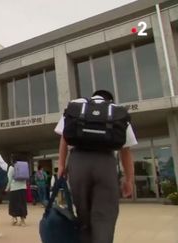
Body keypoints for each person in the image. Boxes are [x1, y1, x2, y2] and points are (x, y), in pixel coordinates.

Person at [55, 90, 137, 243]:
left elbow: (64, 138)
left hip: (78, 162)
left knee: (83, 215)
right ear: (109, 100)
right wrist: (129, 179)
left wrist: (61, 165)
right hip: (105, 162)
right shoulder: (116, 110)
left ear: (93, 96)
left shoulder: (76, 106)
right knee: (104, 216)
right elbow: (126, 151)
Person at [6, 161, 28, 226]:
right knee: (22, 204)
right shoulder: (24, 165)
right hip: (23, 188)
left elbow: (9, 179)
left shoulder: (11, 167)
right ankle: (22, 221)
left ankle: (14, 218)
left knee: (14, 204)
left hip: (14, 188)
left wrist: (7, 188)